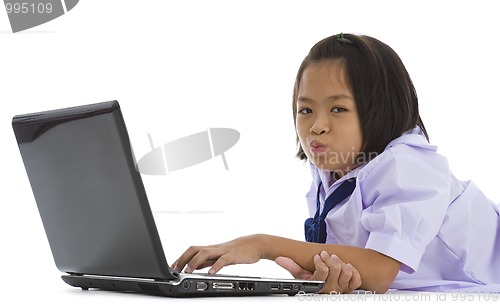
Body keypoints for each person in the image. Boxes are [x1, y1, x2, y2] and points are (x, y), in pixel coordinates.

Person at [172, 33, 500, 293]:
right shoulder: (331, 174)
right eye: (305, 110)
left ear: (381, 109)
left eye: (338, 109)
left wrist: (262, 245)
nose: (316, 126)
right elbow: (359, 267)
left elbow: (379, 270)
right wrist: (322, 267)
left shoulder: (407, 166)